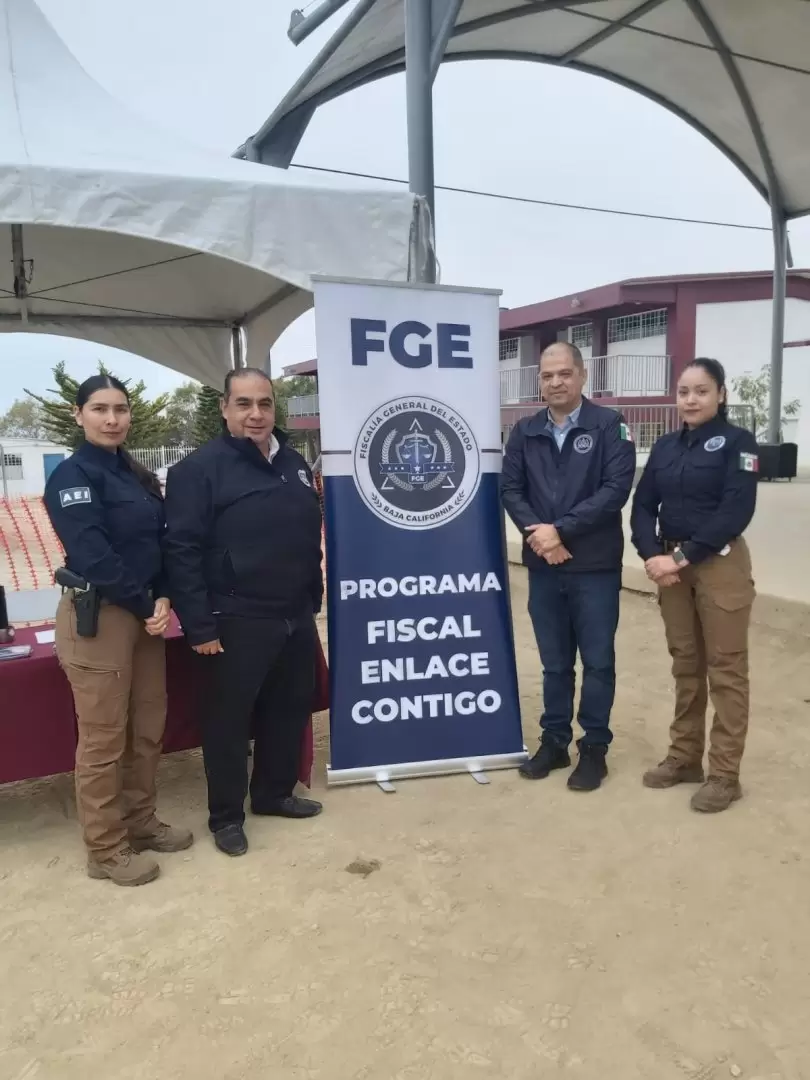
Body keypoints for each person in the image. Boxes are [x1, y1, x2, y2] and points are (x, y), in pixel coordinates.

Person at [163, 368, 324, 857]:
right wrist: (199, 624)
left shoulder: (293, 462)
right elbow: (181, 550)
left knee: (288, 708)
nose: (256, 414)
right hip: (234, 618)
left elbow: (305, 531)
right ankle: (226, 816)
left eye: (265, 403)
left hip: (294, 613)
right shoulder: (198, 469)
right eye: (244, 404)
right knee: (229, 721)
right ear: (225, 409)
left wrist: (311, 597)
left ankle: (274, 794)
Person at [44, 375, 193, 887]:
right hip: (101, 615)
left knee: (147, 728)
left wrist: (164, 596)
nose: (112, 419)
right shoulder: (72, 476)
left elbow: (160, 541)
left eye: (121, 409)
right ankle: (105, 849)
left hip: (146, 613)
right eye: (100, 409)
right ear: (78, 414)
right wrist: (146, 602)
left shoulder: (132, 473)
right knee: (104, 740)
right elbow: (93, 555)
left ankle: (140, 821)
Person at [502, 342, 636, 791]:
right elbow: (511, 490)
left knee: (598, 662)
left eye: (564, 373)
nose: (555, 382)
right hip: (545, 567)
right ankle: (555, 742)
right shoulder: (524, 431)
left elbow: (615, 490)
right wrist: (542, 538)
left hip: (594, 568)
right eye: (547, 376)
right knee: (555, 664)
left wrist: (560, 531)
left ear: (581, 376)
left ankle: (593, 748)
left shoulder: (609, 426)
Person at [631, 358, 758, 813]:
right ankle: (685, 757)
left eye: (701, 391)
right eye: (684, 391)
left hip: (718, 564)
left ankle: (725, 773)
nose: (690, 399)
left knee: (725, 667)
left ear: (721, 394)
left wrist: (681, 557)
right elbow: (643, 505)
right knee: (686, 662)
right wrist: (652, 557)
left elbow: (736, 510)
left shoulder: (739, 443)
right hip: (670, 568)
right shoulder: (665, 447)